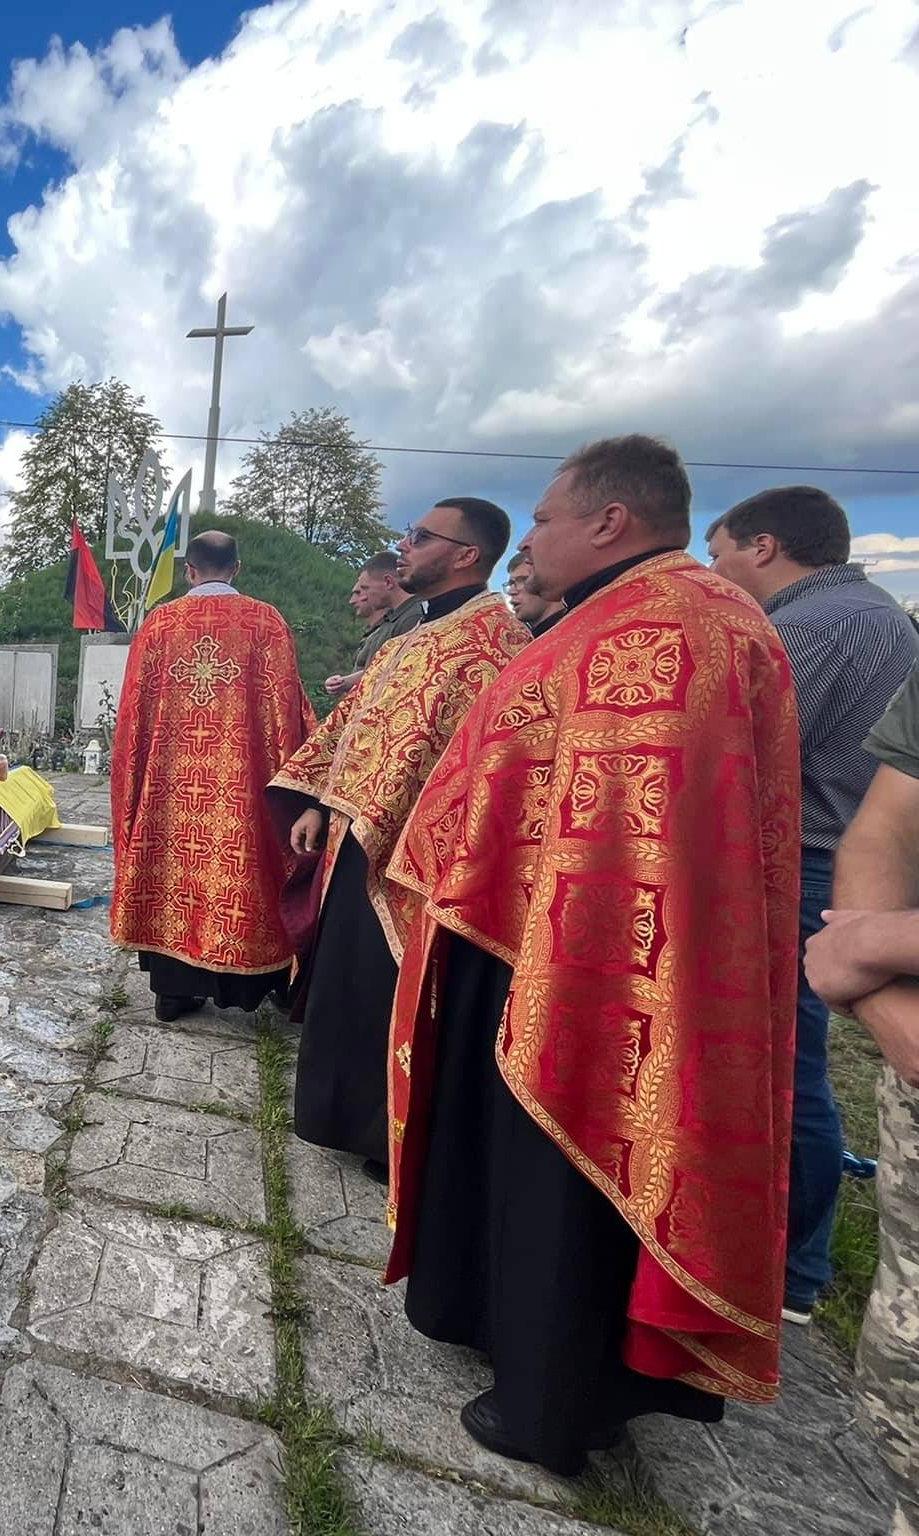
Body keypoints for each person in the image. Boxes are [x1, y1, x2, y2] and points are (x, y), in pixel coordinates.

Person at [382, 436, 799, 1475]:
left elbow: (625, 822)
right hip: (556, 934)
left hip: (587, 960)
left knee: (567, 1157)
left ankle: (548, 1398)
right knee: (555, 1160)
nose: (533, 536)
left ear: (608, 520)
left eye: (545, 518)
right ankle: (548, 1360)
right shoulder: (666, 613)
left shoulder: (661, 625)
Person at [706, 485, 919, 1326]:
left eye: (720, 551)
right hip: (842, 866)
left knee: (782, 1067)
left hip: (807, 868)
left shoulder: (807, 628)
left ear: (764, 545)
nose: (715, 568)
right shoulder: (873, 612)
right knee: (790, 1060)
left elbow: (726, 740)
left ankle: (791, 1268)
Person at [271, 497, 530, 1180]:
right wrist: (316, 802)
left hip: (423, 860)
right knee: (352, 988)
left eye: (419, 536)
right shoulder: (410, 638)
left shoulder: (494, 644)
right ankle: (346, 1119)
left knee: (401, 996)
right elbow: (355, 726)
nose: (404, 546)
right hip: (356, 835)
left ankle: (396, 1138)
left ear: (466, 554)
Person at [110, 530, 314, 1022]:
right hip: (240, 793)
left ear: (189, 571)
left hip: (169, 791)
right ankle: (251, 988)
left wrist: (132, 784)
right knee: (243, 879)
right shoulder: (266, 623)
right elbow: (287, 712)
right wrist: (300, 786)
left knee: (171, 880)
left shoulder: (160, 624)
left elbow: (133, 716)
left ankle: (174, 994)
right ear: (237, 569)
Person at [803, 673, 919, 1536]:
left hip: (839, 916)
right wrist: (883, 1005)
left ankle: (795, 1269)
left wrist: (871, 944)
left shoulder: (820, 630)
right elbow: (886, 826)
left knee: (794, 1083)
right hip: (903, 1042)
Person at [326, 553, 423, 698]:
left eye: (365, 588)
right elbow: (378, 669)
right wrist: (344, 682)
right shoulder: (394, 618)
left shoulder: (412, 618)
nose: (363, 596)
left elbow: (396, 674)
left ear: (388, 583)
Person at [504, 549, 566, 635]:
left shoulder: (578, 628)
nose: (511, 591)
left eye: (522, 580)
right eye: (511, 584)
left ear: (551, 581)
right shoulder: (518, 643)